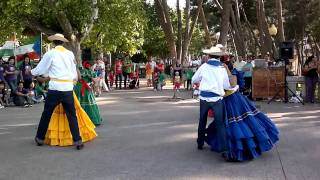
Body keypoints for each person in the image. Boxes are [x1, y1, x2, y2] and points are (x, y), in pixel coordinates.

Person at [206, 62, 279, 162]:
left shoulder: (231, 72)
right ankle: (231, 150)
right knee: (227, 124)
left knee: (238, 124)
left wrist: (226, 69)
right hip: (224, 101)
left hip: (235, 100)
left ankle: (238, 151)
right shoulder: (214, 73)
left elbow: (233, 84)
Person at [31, 33, 84, 150]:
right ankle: (78, 140)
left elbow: (41, 68)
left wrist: (31, 72)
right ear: (63, 42)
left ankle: (40, 138)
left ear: (53, 42)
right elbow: (73, 70)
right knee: (72, 115)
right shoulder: (70, 54)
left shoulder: (50, 53)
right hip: (68, 88)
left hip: (55, 88)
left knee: (47, 113)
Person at [192, 45, 230, 155]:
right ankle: (224, 150)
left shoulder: (204, 66)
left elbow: (194, 79)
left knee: (202, 120)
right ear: (219, 57)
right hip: (217, 99)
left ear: (209, 56)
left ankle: (200, 142)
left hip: (204, 98)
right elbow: (226, 85)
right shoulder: (222, 68)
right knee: (220, 123)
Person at [74, 61, 103, 126]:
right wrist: (99, 78)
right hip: (86, 89)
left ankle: (78, 120)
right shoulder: (90, 72)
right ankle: (89, 120)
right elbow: (95, 81)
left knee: (78, 103)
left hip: (78, 88)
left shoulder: (79, 71)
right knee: (89, 103)